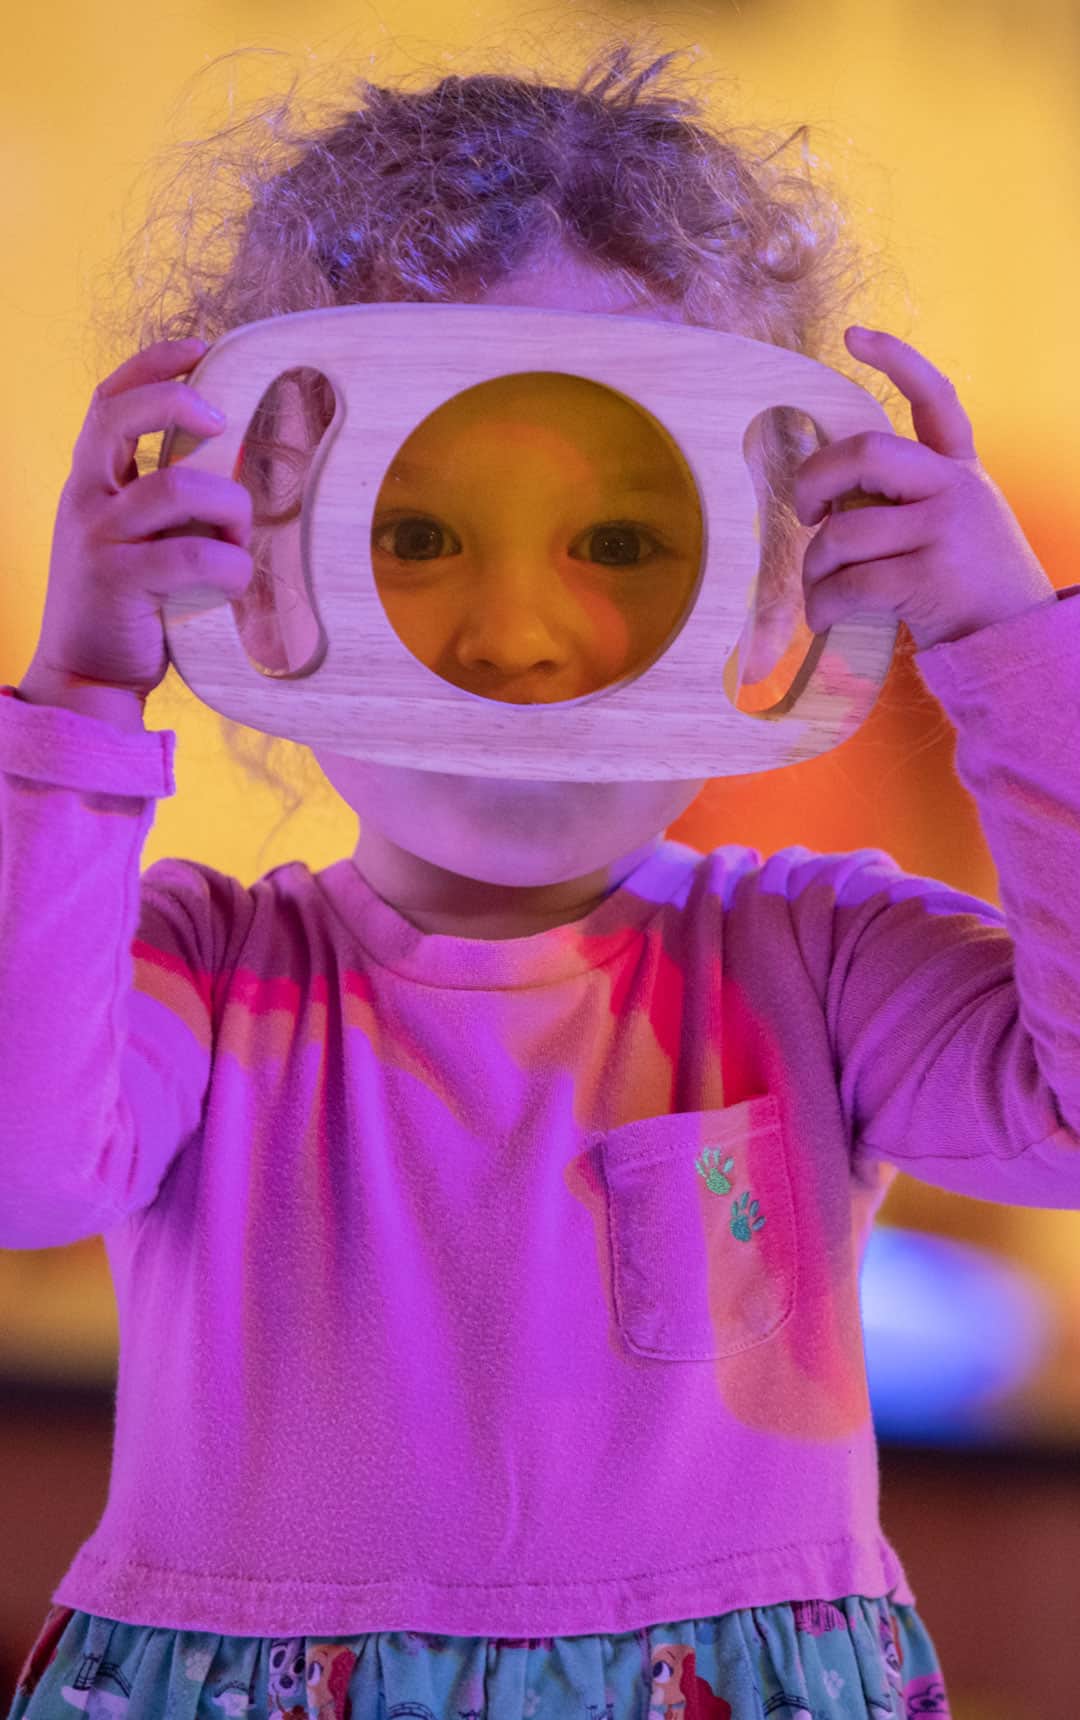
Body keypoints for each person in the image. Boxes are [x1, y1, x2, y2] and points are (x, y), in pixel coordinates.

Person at [2, 37, 1077, 1720]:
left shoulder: (817, 964)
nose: (516, 646)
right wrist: (74, 695)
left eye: (623, 542)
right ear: (252, 585)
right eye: (416, 537)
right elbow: (23, 1175)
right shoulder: (198, 978)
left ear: (777, 579)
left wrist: (1016, 659)